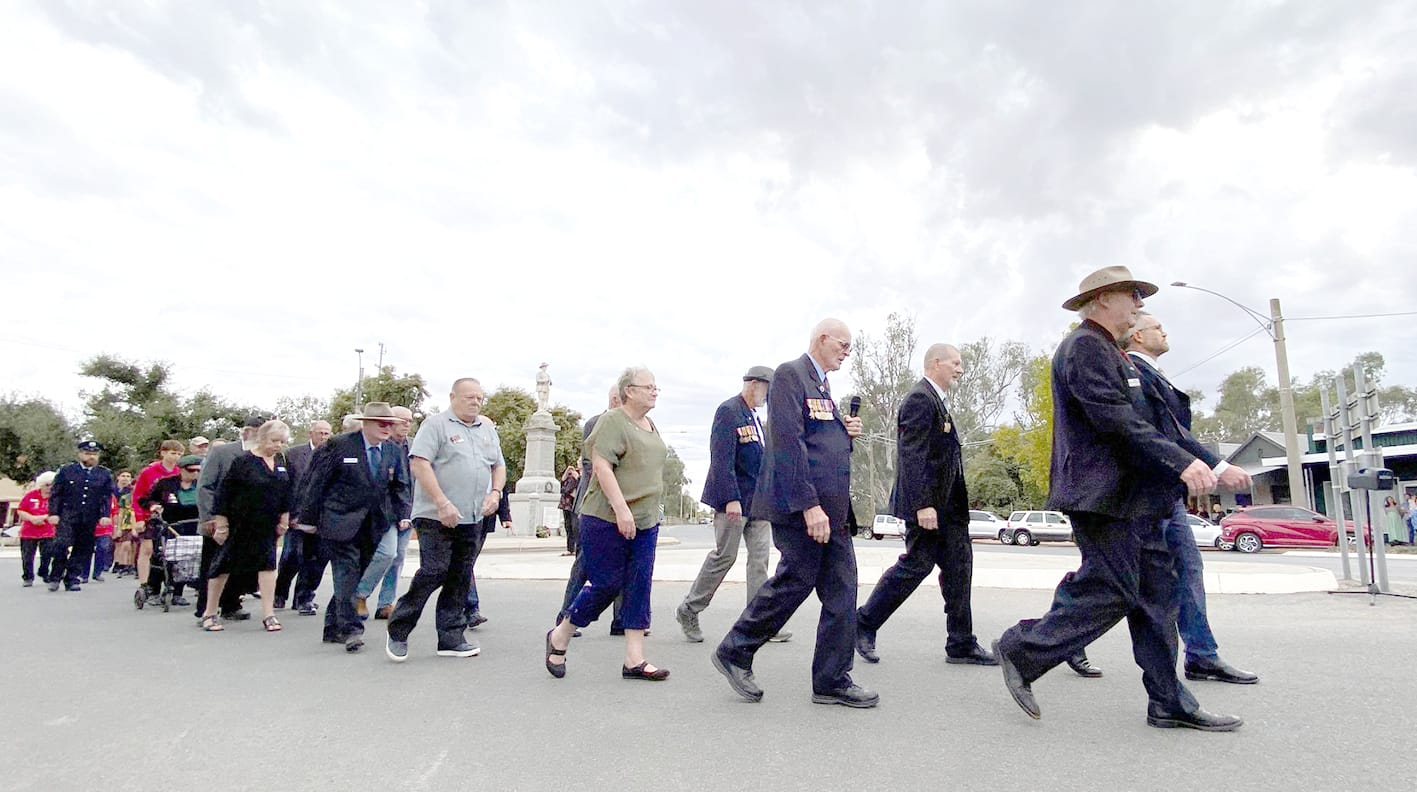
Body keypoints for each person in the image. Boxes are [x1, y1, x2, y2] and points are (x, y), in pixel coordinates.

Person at [993, 266, 1243, 732]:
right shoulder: (1084, 347)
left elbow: (1162, 425)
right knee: (1113, 589)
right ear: (1103, 299)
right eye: (1132, 296)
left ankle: (1168, 701)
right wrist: (1180, 463)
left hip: (1136, 498)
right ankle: (1022, 648)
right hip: (1102, 497)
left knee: (1156, 600)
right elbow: (1113, 420)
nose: (1139, 306)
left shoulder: (1115, 353)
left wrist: (1211, 463)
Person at [713, 319, 874, 708]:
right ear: (822, 339)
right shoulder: (791, 375)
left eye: (850, 346)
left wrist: (843, 432)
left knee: (842, 589)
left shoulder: (822, 385)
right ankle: (735, 650)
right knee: (794, 582)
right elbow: (788, 444)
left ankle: (832, 679)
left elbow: (820, 444)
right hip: (805, 509)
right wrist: (809, 506)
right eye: (844, 343)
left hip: (831, 511)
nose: (847, 351)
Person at [1115, 311, 1257, 684]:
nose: (1164, 330)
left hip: (1167, 493)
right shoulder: (1134, 373)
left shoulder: (1152, 374)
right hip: (1143, 495)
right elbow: (1168, 434)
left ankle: (1201, 655)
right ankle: (1052, 641)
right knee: (1116, 581)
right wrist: (1219, 465)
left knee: (1186, 570)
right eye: (1157, 326)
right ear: (1138, 336)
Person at [856, 343, 995, 666]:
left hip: (950, 510)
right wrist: (923, 505)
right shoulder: (920, 399)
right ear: (936, 363)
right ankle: (864, 622)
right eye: (955, 363)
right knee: (916, 565)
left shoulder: (939, 402)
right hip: (930, 508)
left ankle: (961, 643)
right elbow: (913, 454)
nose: (960, 369)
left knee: (960, 570)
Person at [544, 366, 669, 681]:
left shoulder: (650, 424)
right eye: (649, 386)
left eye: (656, 387)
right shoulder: (612, 421)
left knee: (639, 584)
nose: (655, 391)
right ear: (629, 391)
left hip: (646, 520)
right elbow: (601, 467)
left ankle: (634, 659)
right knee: (607, 584)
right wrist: (621, 509)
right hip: (606, 517)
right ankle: (561, 634)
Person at [386, 380, 503, 662]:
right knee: (435, 570)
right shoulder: (436, 425)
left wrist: (496, 493)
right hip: (436, 515)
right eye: (469, 397)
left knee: (460, 576)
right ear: (453, 397)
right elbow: (420, 463)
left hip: (472, 516)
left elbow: (498, 465)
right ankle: (399, 628)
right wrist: (441, 501)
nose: (475, 402)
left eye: (479, 397)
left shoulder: (486, 429)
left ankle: (450, 637)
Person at [677, 366, 791, 644]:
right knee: (724, 558)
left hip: (759, 504)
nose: (768, 396)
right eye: (767, 389)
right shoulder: (729, 411)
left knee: (759, 561)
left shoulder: (755, 418)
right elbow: (721, 458)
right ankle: (689, 609)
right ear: (753, 384)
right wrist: (731, 498)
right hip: (734, 503)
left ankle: (758, 623)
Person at [299, 402, 411, 653]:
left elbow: (401, 486)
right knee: (346, 573)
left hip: (375, 524)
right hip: (339, 521)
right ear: (366, 423)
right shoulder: (340, 445)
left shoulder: (393, 451)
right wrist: (308, 519)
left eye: (390, 424)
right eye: (381, 423)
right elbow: (316, 483)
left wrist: (404, 514)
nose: (386, 428)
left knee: (354, 576)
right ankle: (351, 629)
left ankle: (332, 627)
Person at [202, 420, 296, 633]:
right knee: (223, 566)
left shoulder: (280, 462)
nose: (278, 445)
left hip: (266, 524)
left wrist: (284, 519)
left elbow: (287, 493)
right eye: (274, 441)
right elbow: (224, 493)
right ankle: (210, 612)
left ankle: (269, 614)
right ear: (262, 438)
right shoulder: (244, 462)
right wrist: (222, 524)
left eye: (282, 442)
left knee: (268, 566)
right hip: (239, 522)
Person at [555, 386, 627, 636]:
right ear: (618, 398)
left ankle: (621, 620)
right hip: (593, 506)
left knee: (624, 561)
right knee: (585, 563)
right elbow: (593, 467)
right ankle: (565, 615)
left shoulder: (631, 424)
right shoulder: (597, 423)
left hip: (621, 506)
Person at [197, 418, 265, 620]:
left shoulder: (263, 456)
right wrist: (209, 517)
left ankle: (231, 604)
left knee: (240, 565)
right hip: (219, 519)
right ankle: (205, 608)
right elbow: (205, 485)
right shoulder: (222, 452)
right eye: (259, 433)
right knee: (213, 564)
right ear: (247, 432)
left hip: (246, 522)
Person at [44, 441, 120, 592]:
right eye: (87, 453)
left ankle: (72, 578)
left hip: (89, 516)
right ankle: (55, 575)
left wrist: (105, 515)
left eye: (94, 454)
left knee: (83, 548)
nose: (91, 457)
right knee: (61, 545)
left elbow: (106, 497)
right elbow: (56, 494)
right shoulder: (67, 470)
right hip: (68, 514)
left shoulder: (103, 474)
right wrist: (53, 513)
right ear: (80, 454)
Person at [274, 419, 332, 613]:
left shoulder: (333, 454)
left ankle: (304, 597)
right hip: (296, 515)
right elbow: (285, 486)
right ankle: (279, 593)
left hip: (322, 517)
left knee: (316, 559)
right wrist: (288, 513)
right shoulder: (293, 455)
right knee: (292, 556)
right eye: (320, 433)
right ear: (311, 433)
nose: (323, 437)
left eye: (326, 433)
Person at [364, 406, 415, 620]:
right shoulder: (381, 446)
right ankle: (360, 594)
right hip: (382, 513)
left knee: (398, 557)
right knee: (384, 554)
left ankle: (385, 602)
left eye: (410, 421)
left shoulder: (414, 446)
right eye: (402, 420)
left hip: (408, 510)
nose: (406, 424)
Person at [136, 454, 204, 607]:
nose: (195, 474)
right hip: (170, 526)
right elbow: (145, 499)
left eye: (198, 471)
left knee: (187, 559)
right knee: (163, 557)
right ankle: (153, 589)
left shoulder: (201, 484)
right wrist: (153, 505)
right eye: (191, 470)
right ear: (181, 470)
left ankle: (178, 592)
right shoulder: (166, 484)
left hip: (193, 526)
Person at [132, 440, 185, 592]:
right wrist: (139, 518)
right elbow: (138, 496)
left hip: (170, 517)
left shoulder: (178, 473)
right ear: (163, 453)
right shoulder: (149, 472)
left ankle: (170, 584)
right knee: (148, 549)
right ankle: (144, 583)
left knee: (169, 551)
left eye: (179, 454)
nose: (176, 457)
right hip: (150, 515)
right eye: (172, 453)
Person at [465, 487, 511, 628]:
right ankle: (471, 608)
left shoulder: (494, 465)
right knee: (465, 564)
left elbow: (500, 487)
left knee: (466, 564)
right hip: (463, 517)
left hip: (484, 518)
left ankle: (464, 606)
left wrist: (505, 516)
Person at [17, 472, 57, 587]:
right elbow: (21, 510)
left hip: (48, 531)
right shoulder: (30, 495)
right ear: (41, 485)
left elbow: (58, 512)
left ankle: (44, 571)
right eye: (47, 485)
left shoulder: (56, 498)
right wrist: (32, 518)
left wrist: (43, 517)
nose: (50, 488)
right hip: (29, 532)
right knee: (27, 556)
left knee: (47, 554)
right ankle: (28, 577)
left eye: (52, 485)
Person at [112, 469, 138, 577]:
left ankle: (131, 564)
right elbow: (121, 511)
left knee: (134, 545)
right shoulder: (125, 498)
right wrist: (118, 527)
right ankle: (122, 564)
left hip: (137, 522)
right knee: (125, 544)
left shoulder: (141, 498)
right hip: (126, 523)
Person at [558, 465, 579, 555]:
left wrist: (576, 476)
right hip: (565, 504)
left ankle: (574, 547)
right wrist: (567, 472)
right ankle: (570, 548)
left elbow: (569, 490)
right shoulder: (567, 479)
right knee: (568, 526)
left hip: (572, 504)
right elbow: (562, 483)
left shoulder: (576, 478)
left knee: (574, 526)